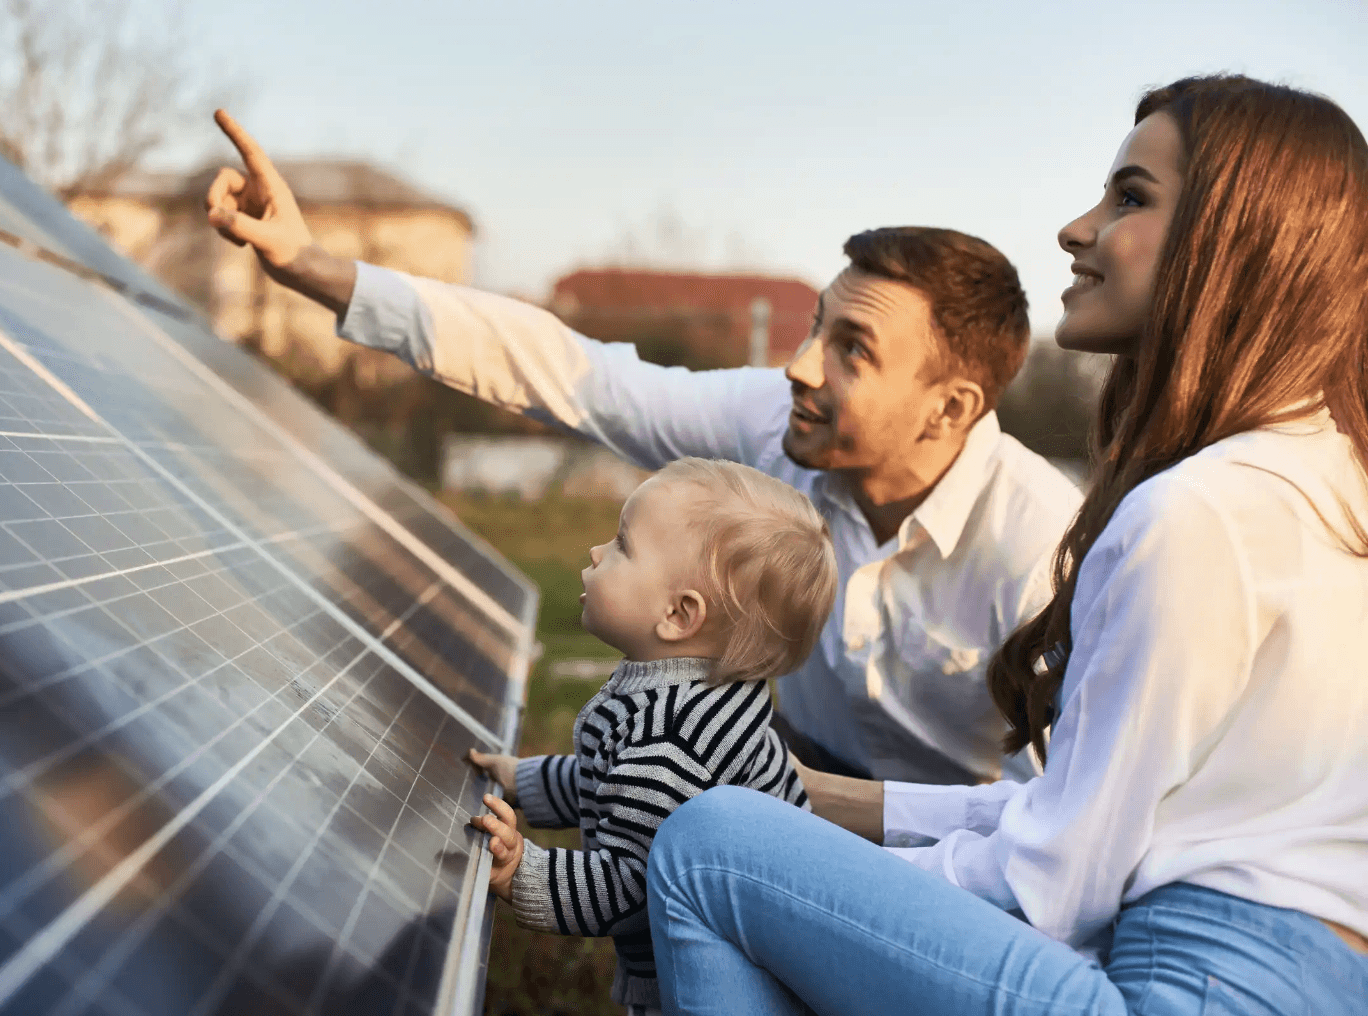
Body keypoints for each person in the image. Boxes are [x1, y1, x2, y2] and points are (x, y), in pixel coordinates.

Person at [640, 74, 1368, 1015]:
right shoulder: (1330, 482)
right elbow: (1086, 805)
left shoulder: (1197, 514)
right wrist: (814, 802)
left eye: (1131, 198)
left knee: (710, 848)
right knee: (755, 829)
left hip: (1180, 990)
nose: (1077, 228)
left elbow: (1056, 882)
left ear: (1237, 243)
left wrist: (811, 887)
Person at [204, 113, 1083, 787]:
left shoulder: (1043, 549)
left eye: (853, 348)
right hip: (794, 771)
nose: (801, 364)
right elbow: (573, 374)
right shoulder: (779, 423)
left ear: (949, 407)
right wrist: (314, 268)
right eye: (818, 325)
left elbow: (1052, 827)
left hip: (957, 851)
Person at [463, 457, 837, 1016]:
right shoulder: (696, 697)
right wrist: (524, 780)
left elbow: (630, 884)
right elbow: (611, 780)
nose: (596, 552)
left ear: (679, 615)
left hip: (711, 978)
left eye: (620, 545)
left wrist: (524, 873)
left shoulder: (671, 741)